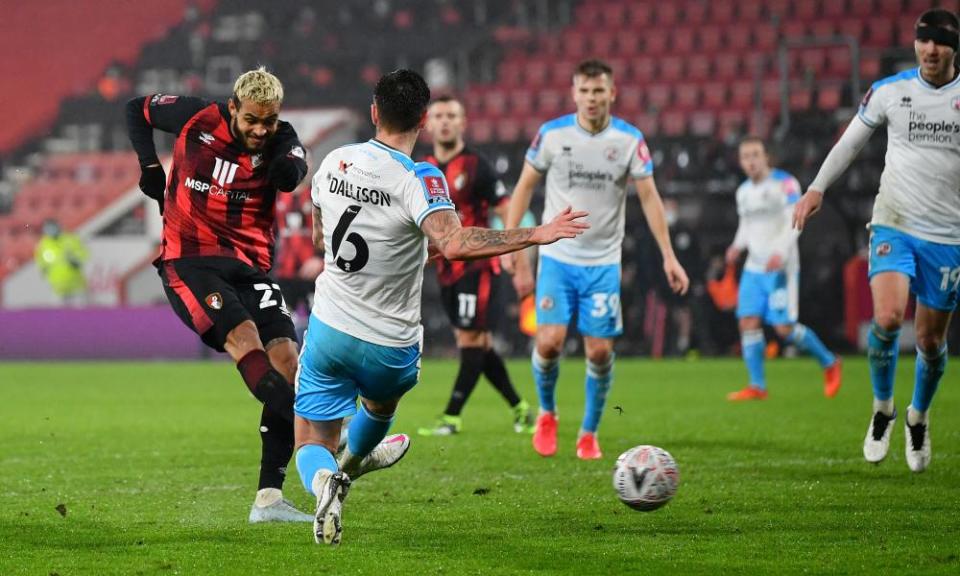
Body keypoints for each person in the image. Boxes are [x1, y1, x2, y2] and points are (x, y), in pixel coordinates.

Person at [294, 69, 588, 545]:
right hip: (391, 346)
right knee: (380, 406)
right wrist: (534, 233)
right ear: (424, 121)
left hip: (330, 328)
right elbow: (453, 242)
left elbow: (320, 238)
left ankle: (327, 481)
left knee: (310, 439)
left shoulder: (334, 161)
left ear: (374, 112)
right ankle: (350, 465)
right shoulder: (419, 176)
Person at [125, 67, 314, 521]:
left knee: (290, 361)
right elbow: (137, 109)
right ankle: (325, 432)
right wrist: (150, 165)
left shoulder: (280, 138)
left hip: (252, 267)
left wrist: (282, 162)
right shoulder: (196, 117)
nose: (260, 129)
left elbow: (293, 170)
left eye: (268, 121)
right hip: (191, 262)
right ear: (233, 107)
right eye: (251, 120)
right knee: (244, 338)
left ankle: (269, 499)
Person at [793, 9, 960, 472]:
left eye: (941, 42)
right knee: (885, 318)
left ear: (954, 48)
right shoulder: (891, 91)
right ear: (915, 44)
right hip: (894, 221)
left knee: (929, 341)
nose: (930, 50)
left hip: (948, 235)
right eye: (924, 41)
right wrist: (816, 188)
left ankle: (918, 416)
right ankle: (883, 408)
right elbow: (851, 141)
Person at [504, 59, 689, 460]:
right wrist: (513, 243)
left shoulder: (628, 140)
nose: (591, 98)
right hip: (556, 257)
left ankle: (589, 433)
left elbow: (650, 198)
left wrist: (669, 257)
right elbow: (523, 188)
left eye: (598, 90)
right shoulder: (551, 135)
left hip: (603, 262)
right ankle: (548, 413)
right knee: (549, 342)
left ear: (612, 93)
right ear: (574, 93)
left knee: (599, 351)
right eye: (584, 91)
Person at [416, 94, 534, 437]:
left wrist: (519, 258)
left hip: (476, 267)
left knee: (470, 340)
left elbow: (505, 209)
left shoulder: (477, 165)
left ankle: (451, 416)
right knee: (478, 345)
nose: (445, 122)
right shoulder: (422, 166)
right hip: (446, 269)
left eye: (452, 115)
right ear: (427, 123)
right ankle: (520, 409)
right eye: (438, 116)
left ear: (463, 122)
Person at [725, 137, 842, 401]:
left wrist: (781, 251)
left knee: (784, 329)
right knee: (748, 322)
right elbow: (746, 226)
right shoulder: (743, 191)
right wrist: (736, 246)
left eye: (755, 154)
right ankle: (757, 385)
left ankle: (829, 362)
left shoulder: (786, 184)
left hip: (781, 267)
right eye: (745, 157)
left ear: (767, 156)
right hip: (754, 267)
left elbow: (795, 220)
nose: (751, 161)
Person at [35, 218, 89, 305]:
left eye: (52, 227)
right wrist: (44, 270)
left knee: (80, 316)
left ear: (58, 226)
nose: (50, 230)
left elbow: (84, 254)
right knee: (58, 316)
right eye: (47, 227)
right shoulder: (43, 244)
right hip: (57, 288)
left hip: (76, 285)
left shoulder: (71, 239)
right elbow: (41, 263)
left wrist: (76, 261)